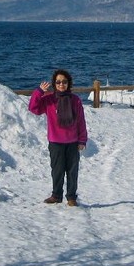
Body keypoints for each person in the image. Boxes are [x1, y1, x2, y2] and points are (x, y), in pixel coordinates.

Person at [29, 69, 88, 206]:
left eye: (64, 82)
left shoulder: (75, 100)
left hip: (73, 142)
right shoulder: (49, 100)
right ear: (54, 84)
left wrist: (82, 140)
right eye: (58, 82)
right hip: (55, 142)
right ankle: (56, 195)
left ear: (69, 83)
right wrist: (39, 91)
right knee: (57, 170)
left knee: (72, 171)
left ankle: (71, 197)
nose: (61, 84)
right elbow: (34, 108)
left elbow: (81, 121)